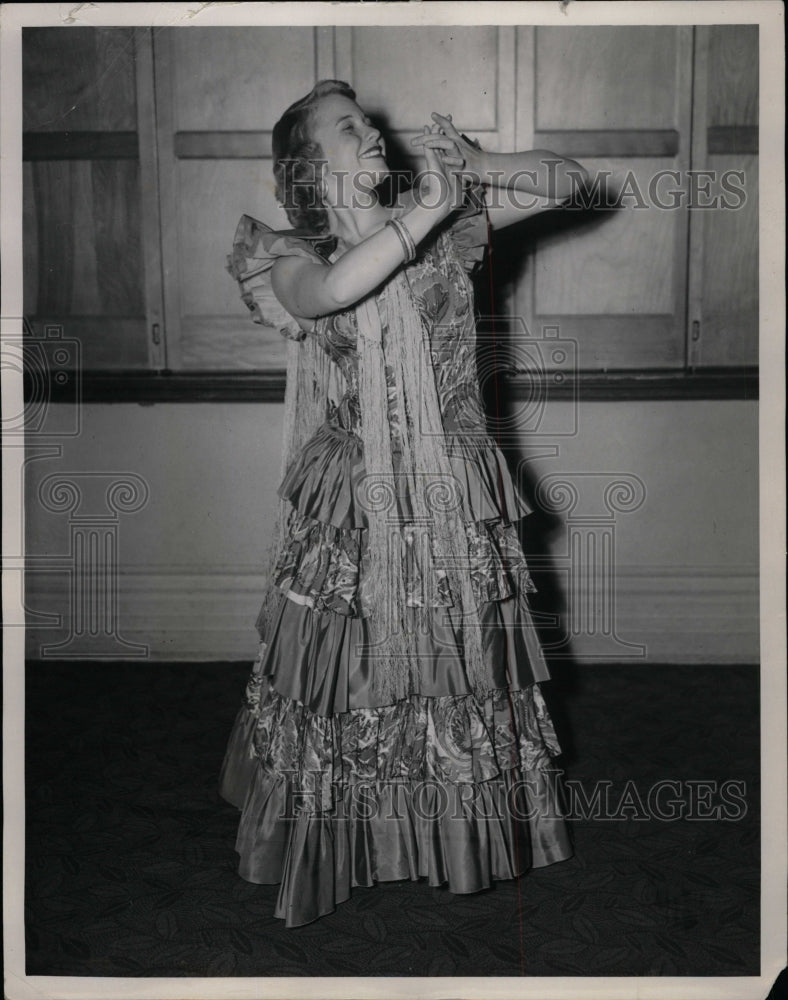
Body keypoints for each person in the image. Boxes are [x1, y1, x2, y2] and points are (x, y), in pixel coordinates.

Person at [219, 79, 588, 928]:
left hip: (453, 482)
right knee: (347, 671)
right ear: (312, 167)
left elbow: (575, 181)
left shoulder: (450, 230)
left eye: (369, 120)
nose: (373, 131)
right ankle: (348, 832)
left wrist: (486, 167)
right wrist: (430, 205)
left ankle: (442, 833)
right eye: (349, 128)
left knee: (456, 664)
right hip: (358, 494)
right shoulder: (288, 254)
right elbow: (340, 288)